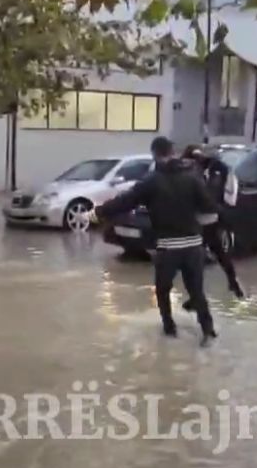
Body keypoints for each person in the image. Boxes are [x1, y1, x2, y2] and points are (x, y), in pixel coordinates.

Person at [92, 137, 218, 345]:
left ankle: (169, 331)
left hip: (169, 247)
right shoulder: (192, 177)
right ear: (172, 152)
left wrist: (99, 211)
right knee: (196, 291)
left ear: (155, 154)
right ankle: (208, 330)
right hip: (194, 245)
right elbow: (209, 207)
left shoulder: (151, 181)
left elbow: (125, 201)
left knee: (162, 290)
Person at [181, 146, 245, 303]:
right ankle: (231, 283)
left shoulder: (213, 170)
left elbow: (230, 189)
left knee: (199, 258)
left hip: (204, 220)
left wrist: (224, 208)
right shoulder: (205, 170)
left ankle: (229, 284)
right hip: (204, 220)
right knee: (211, 255)